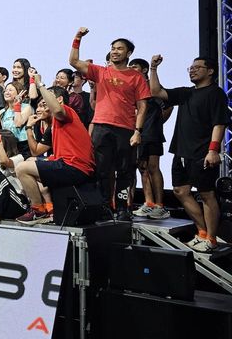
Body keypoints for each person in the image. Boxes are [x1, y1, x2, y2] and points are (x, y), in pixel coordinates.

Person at [149, 55, 230, 253]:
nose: (192, 70)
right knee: (180, 191)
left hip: (202, 152)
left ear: (210, 71)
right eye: (190, 68)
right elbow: (156, 91)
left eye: (197, 67)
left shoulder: (216, 93)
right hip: (181, 151)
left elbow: (219, 123)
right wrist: (153, 69)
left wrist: (213, 150)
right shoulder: (186, 93)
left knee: (207, 194)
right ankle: (202, 232)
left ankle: (211, 238)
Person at [69, 27, 150, 218]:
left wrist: (138, 131)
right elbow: (73, 61)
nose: (115, 51)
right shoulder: (100, 72)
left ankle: (122, 208)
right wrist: (78, 38)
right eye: (113, 48)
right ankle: (103, 206)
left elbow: (142, 106)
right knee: (100, 170)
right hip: (101, 126)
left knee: (125, 171)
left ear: (128, 53)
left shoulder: (137, 77)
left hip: (126, 129)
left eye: (119, 48)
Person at [15, 76, 95, 225]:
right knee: (31, 162)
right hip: (67, 164)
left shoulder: (68, 112)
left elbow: (57, 109)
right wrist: (29, 127)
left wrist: (39, 84)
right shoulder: (53, 127)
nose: (42, 107)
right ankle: (49, 209)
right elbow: (36, 152)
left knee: (22, 168)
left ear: (59, 100)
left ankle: (38, 211)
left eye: (45, 103)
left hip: (76, 167)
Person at [128, 58, 171, 219]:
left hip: (152, 134)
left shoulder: (153, 87)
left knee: (153, 168)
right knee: (142, 168)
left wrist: (157, 122)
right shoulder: (133, 87)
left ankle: (160, 206)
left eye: (135, 67)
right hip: (137, 134)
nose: (131, 69)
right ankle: (149, 203)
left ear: (144, 70)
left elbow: (169, 105)